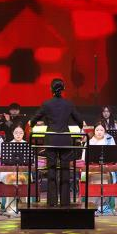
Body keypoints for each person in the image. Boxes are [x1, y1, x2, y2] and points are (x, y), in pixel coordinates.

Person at [29, 78, 84, 207]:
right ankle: (65, 202)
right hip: (65, 140)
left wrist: (32, 124)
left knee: (51, 170)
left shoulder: (46, 104)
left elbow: (34, 119)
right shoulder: (68, 104)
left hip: (51, 140)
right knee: (65, 170)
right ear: (63, 89)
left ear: (51, 89)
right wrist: (80, 125)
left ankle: (52, 202)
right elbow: (80, 121)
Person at [82, 123, 117, 214]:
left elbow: (114, 157)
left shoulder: (109, 141)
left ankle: (105, 205)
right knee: (90, 177)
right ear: (94, 131)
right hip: (92, 170)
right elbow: (83, 159)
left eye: (101, 130)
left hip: (106, 170)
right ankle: (91, 205)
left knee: (107, 177)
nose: (99, 132)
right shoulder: (89, 142)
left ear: (104, 131)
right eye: (97, 130)